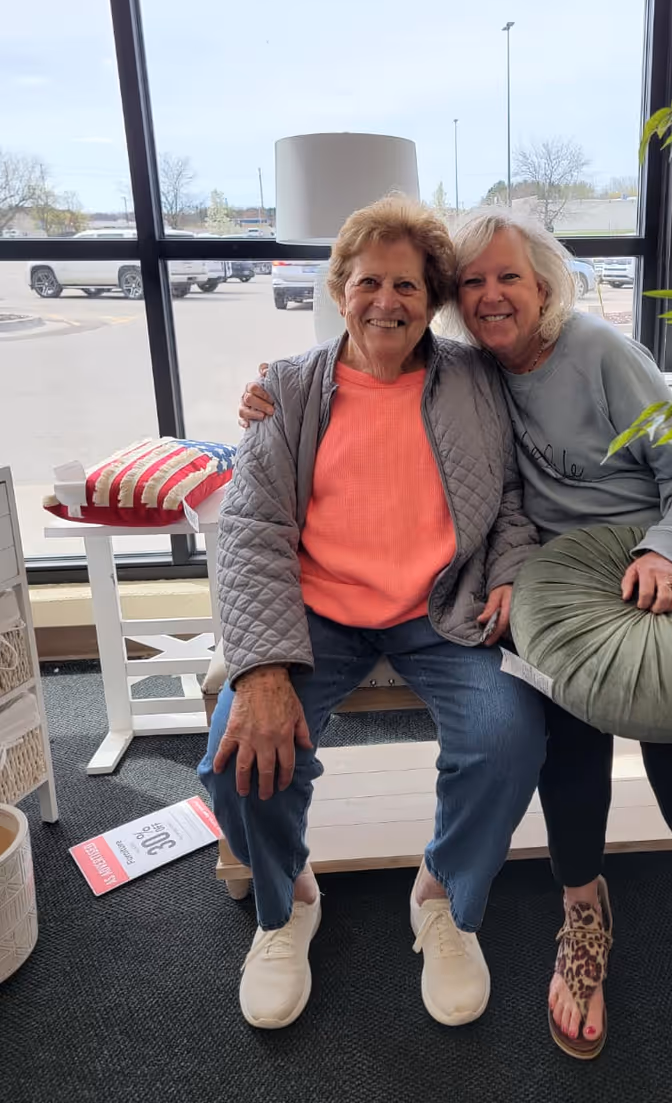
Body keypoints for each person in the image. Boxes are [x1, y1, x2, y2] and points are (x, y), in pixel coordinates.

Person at [239, 208, 672, 1058]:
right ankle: (566, 908)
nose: (488, 295)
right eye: (472, 281)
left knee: (646, 715)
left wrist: (635, 554)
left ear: (542, 285)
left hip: (609, 566)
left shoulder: (581, 355)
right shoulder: (440, 372)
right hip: (466, 593)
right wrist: (273, 393)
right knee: (552, 721)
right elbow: (259, 522)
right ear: (341, 291)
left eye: (506, 277)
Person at [204, 195, 545, 1033]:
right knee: (233, 754)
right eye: (367, 282)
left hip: (442, 606)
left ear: (431, 300)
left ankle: (445, 897)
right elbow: (250, 529)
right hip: (317, 612)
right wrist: (262, 668)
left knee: (509, 735)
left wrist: (508, 573)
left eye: (406, 285)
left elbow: (506, 500)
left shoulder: (474, 382)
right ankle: (286, 905)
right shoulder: (286, 389)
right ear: (338, 287)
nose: (385, 301)